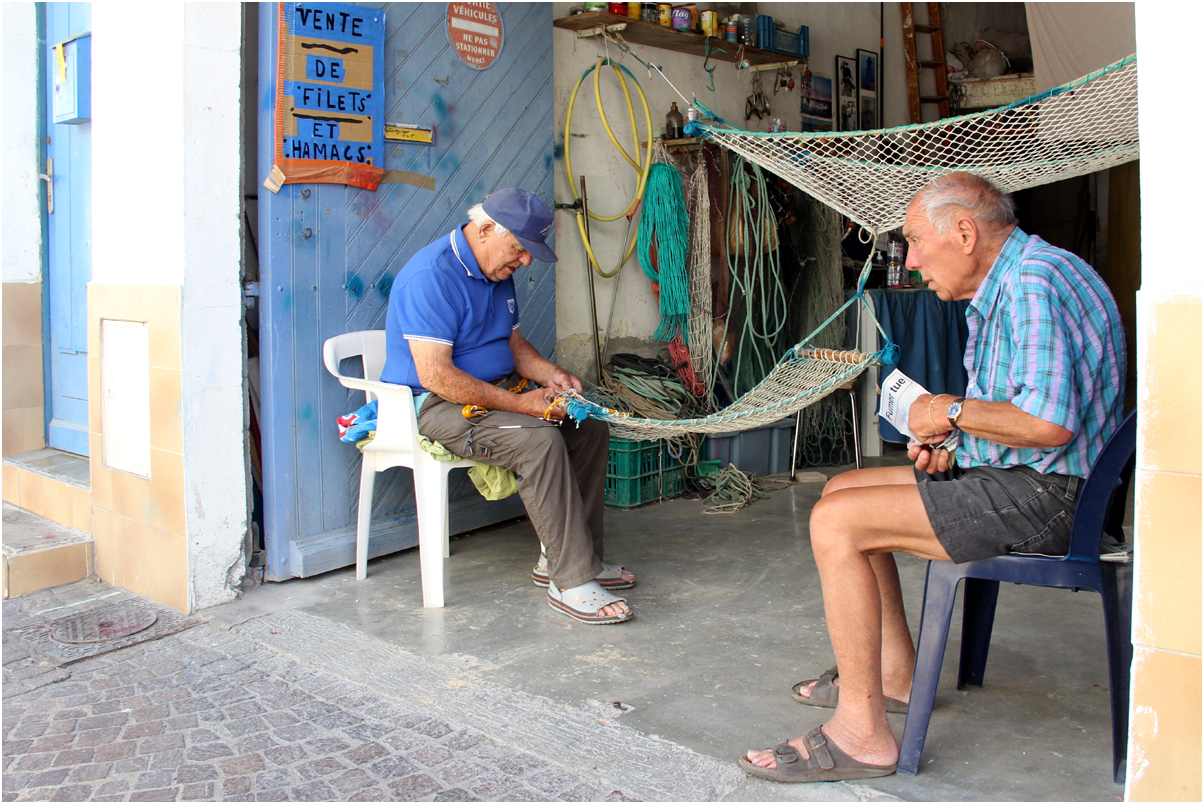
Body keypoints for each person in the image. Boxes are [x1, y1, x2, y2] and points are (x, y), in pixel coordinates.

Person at [739, 172, 1126, 782]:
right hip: (1032, 479)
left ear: (965, 232)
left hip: (1053, 498)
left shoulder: (1033, 282)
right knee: (841, 491)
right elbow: (1021, 413)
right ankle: (893, 676)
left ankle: (861, 735)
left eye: (916, 242)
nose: (912, 263)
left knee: (837, 522)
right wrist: (956, 440)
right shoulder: (1012, 281)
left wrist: (946, 411)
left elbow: (1050, 425)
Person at [381, 188, 635, 625]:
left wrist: (549, 376)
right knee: (538, 440)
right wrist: (522, 405)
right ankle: (570, 579)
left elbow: (512, 344)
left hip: (496, 390)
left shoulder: (496, 271)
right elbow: (437, 376)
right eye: (519, 249)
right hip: (438, 405)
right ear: (484, 230)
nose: (524, 262)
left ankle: (579, 558)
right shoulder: (430, 276)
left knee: (587, 426)